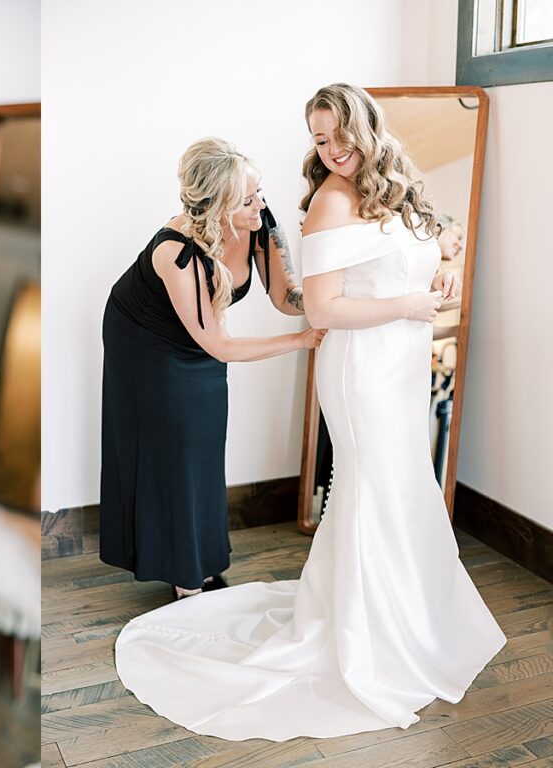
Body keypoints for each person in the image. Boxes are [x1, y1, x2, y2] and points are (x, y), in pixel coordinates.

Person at [113, 84, 504, 741]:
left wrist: (443, 272)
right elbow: (272, 325)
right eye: (319, 140)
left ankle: (401, 619)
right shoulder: (187, 249)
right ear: (214, 203)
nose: (330, 152)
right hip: (161, 350)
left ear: (367, 127)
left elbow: (298, 294)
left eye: (338, 135)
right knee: (185, 453)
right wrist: (391, 311)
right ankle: (206, 578)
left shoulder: (382, 190)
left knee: (398, 484)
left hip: (395, 365)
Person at [100, 137, 324, 601]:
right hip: (145, 344)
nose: (260, 204)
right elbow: (218, 344)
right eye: (246, 199)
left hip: (199, 337)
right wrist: (301, 341)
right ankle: (185, 579)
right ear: (218, 207)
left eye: (258, 191)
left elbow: (286, 298)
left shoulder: (258, 223)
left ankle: (197, 561)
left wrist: (328, 304)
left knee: (202, 442)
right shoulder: (175, 252)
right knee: (174, 447)